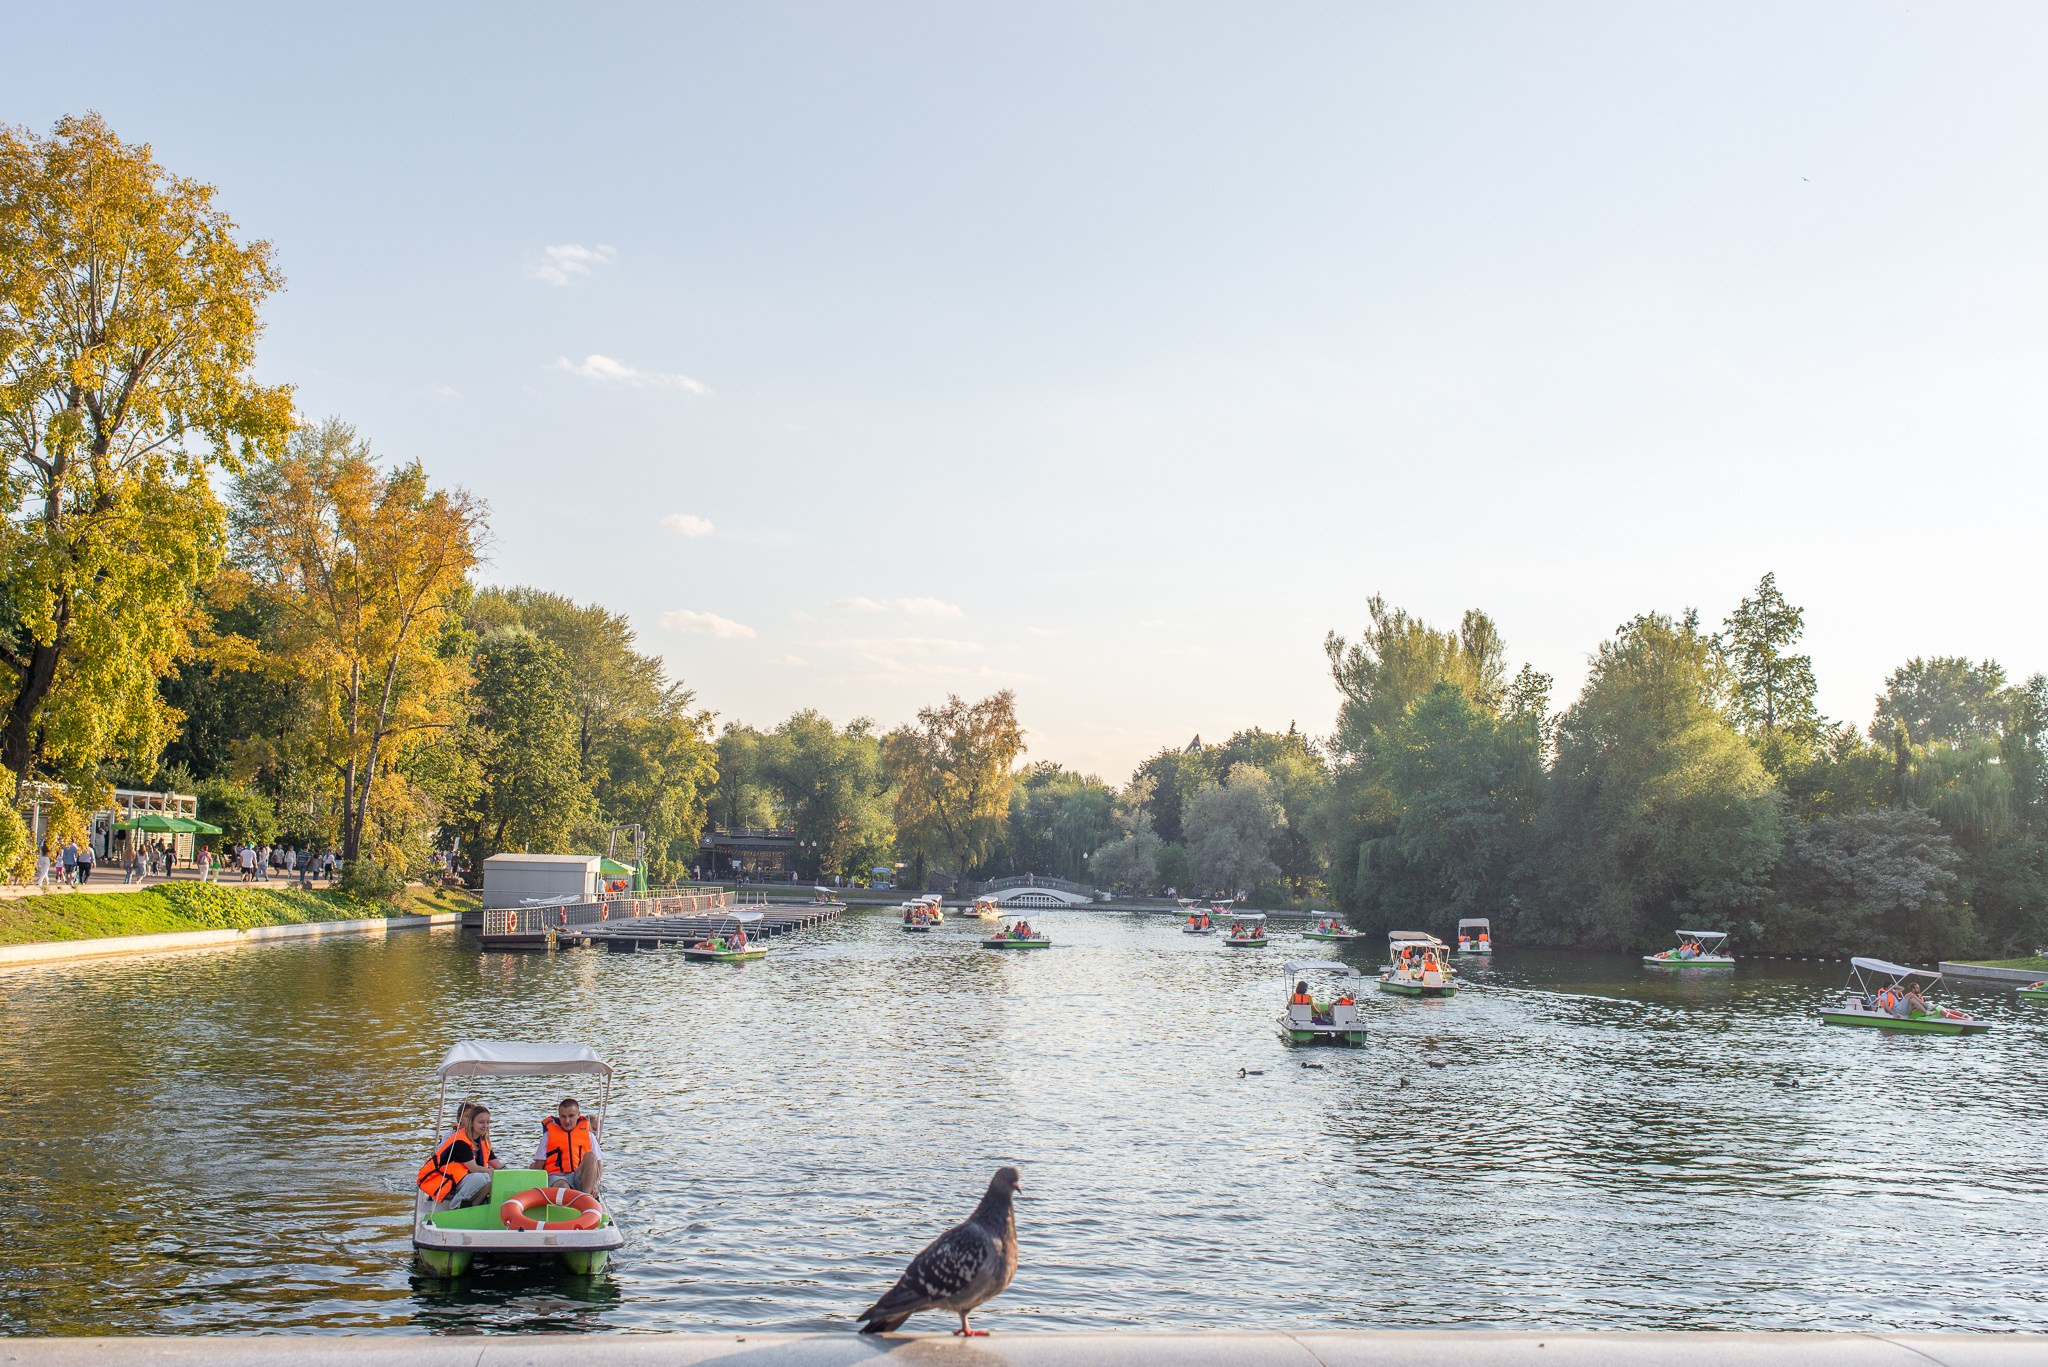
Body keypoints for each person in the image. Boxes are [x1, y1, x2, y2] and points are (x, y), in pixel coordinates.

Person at [417, 1103, 502, 1209]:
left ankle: (473, 1206)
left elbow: (498, 1165)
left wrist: (509, 1173)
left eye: (488, 1122)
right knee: (484, 1177)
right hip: (446, 1184)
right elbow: (474, 1168)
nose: (485, 1126)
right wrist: (492, 1172)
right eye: (481, 1122)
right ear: (471, 1123)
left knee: (492, 1179)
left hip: (463, 1182)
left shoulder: (483, 1142)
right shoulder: (460, 1141)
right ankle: (456, 1206)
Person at [533, 1097, 603, 1197]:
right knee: (563, 1187)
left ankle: (586, 1197)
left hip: (578, 1175)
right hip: (556, 1177)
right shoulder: (548, 1136)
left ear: (578, 1115)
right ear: (559, 1116)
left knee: (591, 1155)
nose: (567, 1121)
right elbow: (538, 1166)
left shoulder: (589, 1135)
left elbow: (599, 1164)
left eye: (571, 1116)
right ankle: (569, 1201)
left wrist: (596, 1184)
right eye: (563, 1116)